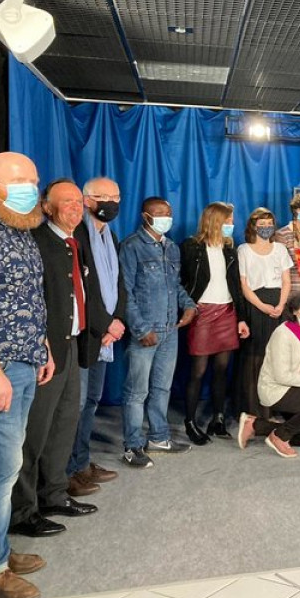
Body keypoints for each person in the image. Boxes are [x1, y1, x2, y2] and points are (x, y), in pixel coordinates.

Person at [0, 152, 52, 598]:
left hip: (25, 362)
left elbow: (26, 297)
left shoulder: (21, 228)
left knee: (9, 466)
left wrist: (40, 346)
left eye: (33, 179)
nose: (29, 187)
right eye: (19, 180)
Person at [11, 180, 98, 538]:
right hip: (45, 350)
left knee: (64, 425)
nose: (75, 208)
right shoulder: (37, 241)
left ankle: (54, 494)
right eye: (67, 203)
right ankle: (23, 512)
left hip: (72, 343)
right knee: (34, 434)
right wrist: (41, 343)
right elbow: (32, 301)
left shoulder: (73, 243)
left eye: (79, 202)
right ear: (47, 207)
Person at [119, 197, 197, 468]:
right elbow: (124, 292)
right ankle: (132, 446)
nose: (166, 217)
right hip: (146, 331)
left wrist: (189, 307)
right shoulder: (131, 247)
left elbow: (175, 287)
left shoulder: (172, 248)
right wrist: (140, 328)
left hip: (170, 329)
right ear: (146, 216)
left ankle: (159, 437)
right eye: (160, 213)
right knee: (136, 391)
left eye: (169, 212)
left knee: (162, 387)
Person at [65, 177, 126, 498]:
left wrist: (118, 319)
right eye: (104, 197)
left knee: (91, 402)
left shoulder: (109, 235)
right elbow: (83, 290)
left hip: (105, 333)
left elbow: (118, 282)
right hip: (86, 336)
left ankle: (82, 462)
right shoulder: (77, 234)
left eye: (116, 197)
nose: (111, 203)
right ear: (87, 200)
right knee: (75, 406)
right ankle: (68, 472)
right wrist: (106, 324)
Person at [180, 202, 250, 445]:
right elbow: (182, 281)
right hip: (202, 314)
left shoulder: (231, 250)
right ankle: (190, 422)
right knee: (198, 371)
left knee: (221, 369)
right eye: (228, 221)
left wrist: (241, 318)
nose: (232, 225)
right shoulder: (192, 247)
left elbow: (236, 289)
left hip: (227, 312)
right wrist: (188, 307)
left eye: (232, 221)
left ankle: (217, 418)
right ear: (215, 221)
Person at [237, 293, 300, 458]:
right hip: (274, 389)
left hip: (294, 387)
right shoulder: (282, 334)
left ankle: (254, 425)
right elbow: (281, 376)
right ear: (295, 311)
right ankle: (278, 437)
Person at [236, 208, 292, 419]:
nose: (266, 228)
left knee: (278, 357)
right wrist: (262, 306)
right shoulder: (244, 250)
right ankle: (255, 410)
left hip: (279, 305)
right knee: (256, 358)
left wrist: (280, 304)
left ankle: (277, 405)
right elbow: (243, 284)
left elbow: (287, 280)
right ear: (253, 226)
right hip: (256, 306)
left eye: (269, 224)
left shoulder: (280, 249)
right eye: (262, 224)